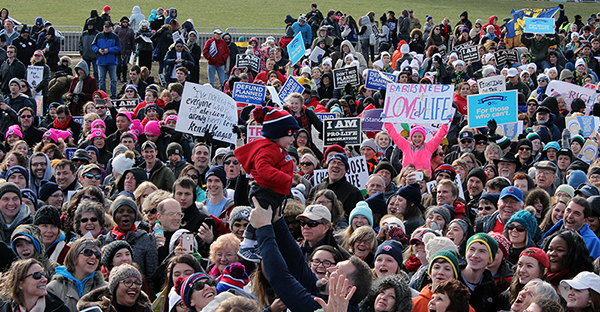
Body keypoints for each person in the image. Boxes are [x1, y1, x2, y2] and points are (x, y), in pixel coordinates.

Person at [234, 107, 299, 262]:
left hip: (273, 191)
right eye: (289, 134)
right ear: (277, 134)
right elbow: (263, 168)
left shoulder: (277, 149)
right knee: (260, 216)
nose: (292, 139)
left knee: (267, 218)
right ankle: (247, 245)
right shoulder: (267, 149)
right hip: (264, 191)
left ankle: (256, 244)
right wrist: (284, 178)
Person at [99, 196, 159, 281]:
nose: (125, 214)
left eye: (130, 211)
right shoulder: (104, 240)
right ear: (114, 215)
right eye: (121, 211)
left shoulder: (146, 239)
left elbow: (151, 274)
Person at [46, 238, 107, 312]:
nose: (93, 257)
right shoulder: (54, 288)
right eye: (88, 252)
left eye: (97, 255)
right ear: (74, 257)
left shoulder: (105, 288)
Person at [0, 259, 70, 312]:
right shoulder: (6, 309)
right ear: (20, 284)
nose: (44, 279)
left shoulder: (59, 309)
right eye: (37, 275)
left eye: (44, 274)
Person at [78, 264, 152, 312]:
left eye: (137, 282)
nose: (133, 286)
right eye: (128, 282)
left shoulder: (145, 309)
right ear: (115, 287)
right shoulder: (97, 310)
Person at [385, 122, 449, 175]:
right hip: (407, 176)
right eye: (415, 136)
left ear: (424, 138)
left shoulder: (429, 147)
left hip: (423, 178)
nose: (417, 139)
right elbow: (394, 135)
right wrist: (387, 123)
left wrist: (445, 125)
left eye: (420, 136)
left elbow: (439, 136)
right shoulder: (406, 146)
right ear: (411, 138)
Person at [460, 233, 498, 312]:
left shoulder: (490, 287)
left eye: (482, 251)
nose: (475, 255)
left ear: (490, 259)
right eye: (472, 249)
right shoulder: (452, 278)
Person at [92, 21, 121, 98]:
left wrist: (108, 50)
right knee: (101, 80)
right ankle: (103, 94)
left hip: (112, 61)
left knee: (113, 79)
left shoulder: (115, 37)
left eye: (108, 27)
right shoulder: (98, 35)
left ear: (111, 28)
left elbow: (118, 47)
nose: (107, 28)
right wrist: (98, 50)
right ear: (103, 27)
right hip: (101, 61)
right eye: (105, 27)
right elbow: (93, 45)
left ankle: (113, 95)